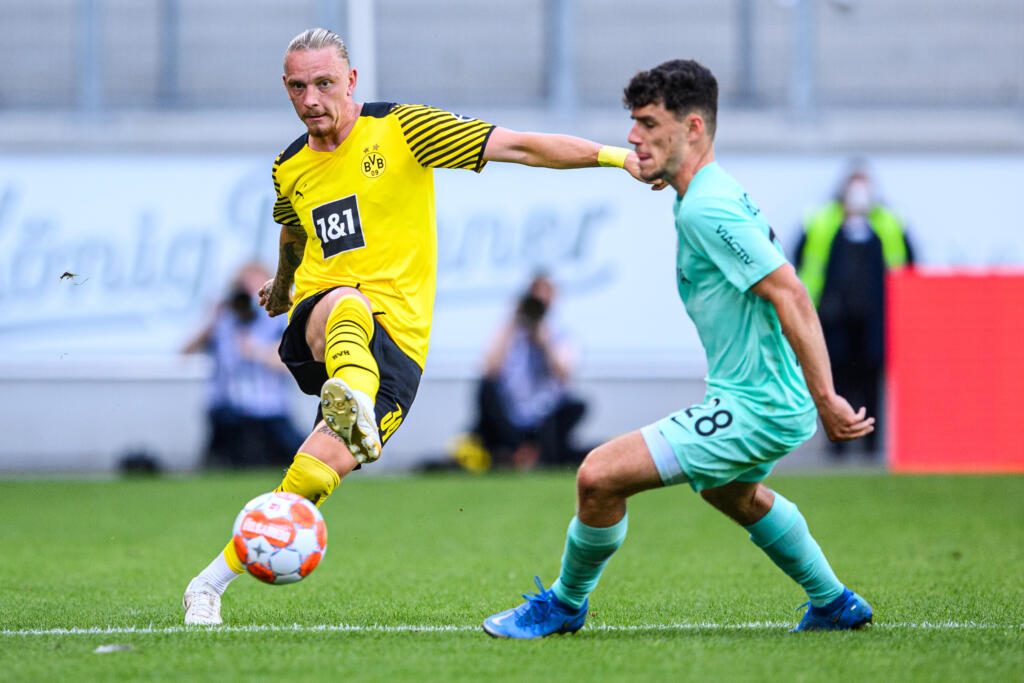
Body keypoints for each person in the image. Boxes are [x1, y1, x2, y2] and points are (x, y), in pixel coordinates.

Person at [181, 27, 654, 625]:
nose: (312, 100)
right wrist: (282, 284)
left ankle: (207, 585)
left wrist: (616, 157)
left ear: (351, 81)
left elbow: (523, 146)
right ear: (287, 88)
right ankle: (351, 391)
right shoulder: (290, 166)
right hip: (326, 318)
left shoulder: (404, 129)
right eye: (298, 87)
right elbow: (293, 228)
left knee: (314, 474)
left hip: (398, 347)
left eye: (325, 83)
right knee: (346, 300)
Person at [482, 59, 876, 639]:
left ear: (692, 127)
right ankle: (833, 602)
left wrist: (827, 397)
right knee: (731, 492)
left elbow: (789, 291)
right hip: (758, 396)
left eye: (647, 123)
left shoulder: (706, 207)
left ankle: (565, 606)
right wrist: (641, 165)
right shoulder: (708, 190)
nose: (634, 135)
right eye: (633, 123)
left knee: (597, 476)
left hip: (760, 404)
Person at [794, 165, 913, 456]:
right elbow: (800, 261)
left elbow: (907, 263)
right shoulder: (822, 220)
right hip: (834, 317)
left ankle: (871, 443)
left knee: (872, 379)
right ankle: (839, 443)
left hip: (876, 318)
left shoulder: (888, 222)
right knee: (836, 379)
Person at [183, 261, 304, 468]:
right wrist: (212, 319)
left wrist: (256, 351)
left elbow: (292, 362)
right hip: (230, 414)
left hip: (270, 413)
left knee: (296, 461)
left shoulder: (279, 319)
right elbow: (185, 352)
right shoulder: (224, 321)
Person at [473, 272, 586, 470]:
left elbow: (564, 374)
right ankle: (513, 451)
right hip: (510, 412)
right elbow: (489, 370)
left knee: (577, 405)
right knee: (485, 390)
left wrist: (543, 339)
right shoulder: (510, 331)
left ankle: (536, 454)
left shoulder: (559, 332)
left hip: (544, 414)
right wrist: (511, 324)